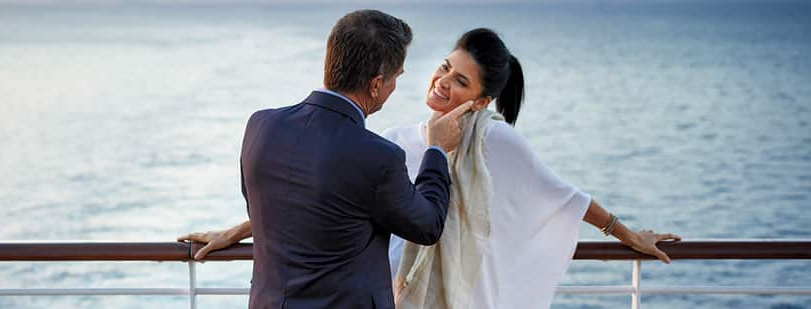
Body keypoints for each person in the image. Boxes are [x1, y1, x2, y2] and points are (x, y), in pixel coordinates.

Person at [180, 28, 681, 309]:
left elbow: (562, 195)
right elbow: (327, 186)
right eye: (444, 67)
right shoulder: (398, 141)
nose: (442, 82)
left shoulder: (497, 142)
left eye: (460, 81)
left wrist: (626, 234)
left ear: (483, 101)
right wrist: (239, 229)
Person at [187, 10, 472, 309]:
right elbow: (427, 225)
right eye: (395, 78)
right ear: (376, 84)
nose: (393, 88)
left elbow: (287, 207)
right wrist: (436, 150)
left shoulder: (261, 126)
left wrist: (235, 231)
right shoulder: (379, 156)